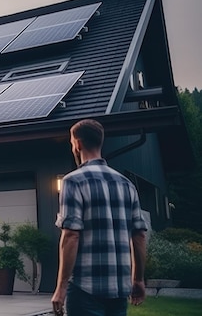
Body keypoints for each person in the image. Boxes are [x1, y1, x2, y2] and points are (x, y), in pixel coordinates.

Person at [51, 119, 147, 316]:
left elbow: (71, 236)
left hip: (85, 288)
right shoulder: (127, 185)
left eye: (71, 144)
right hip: (120, 290)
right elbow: (139, 237)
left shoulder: (73, 181)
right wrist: (138, 279)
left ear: (77, 144)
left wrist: (60, 289)